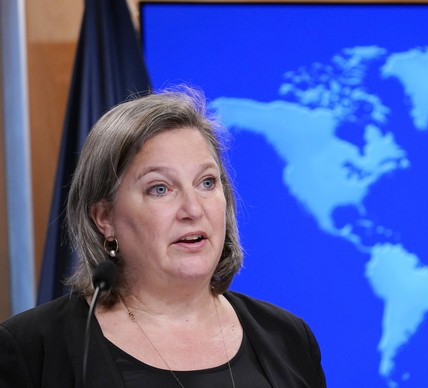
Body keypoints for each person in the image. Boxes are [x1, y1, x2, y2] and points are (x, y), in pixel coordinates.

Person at [0, 87, 326, 388]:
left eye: (207, 182)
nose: (193, 209)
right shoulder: (33, 349)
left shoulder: (287, 337)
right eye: (160, 189)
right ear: (105, 218)